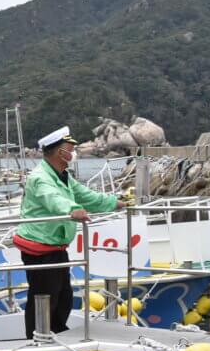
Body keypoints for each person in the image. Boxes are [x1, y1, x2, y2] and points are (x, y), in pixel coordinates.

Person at [14, 126, 126, 339]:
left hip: (55, 245)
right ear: (59, 152)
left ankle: (56, 330)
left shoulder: (62, 175)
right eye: (70, 148)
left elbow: (87, 197)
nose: (74, 152)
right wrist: (72, 210)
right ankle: (37, 337)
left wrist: (115, 203)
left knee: (63, 295)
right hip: (39, 247)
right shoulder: (40, 177)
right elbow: (53, 199)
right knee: (43, 295)